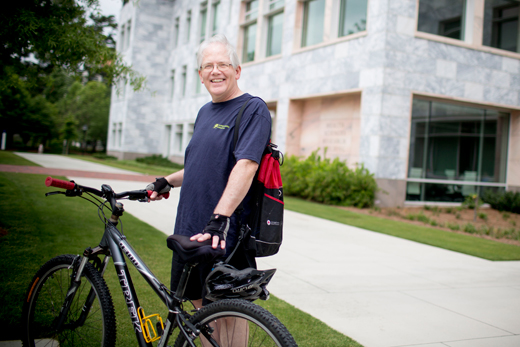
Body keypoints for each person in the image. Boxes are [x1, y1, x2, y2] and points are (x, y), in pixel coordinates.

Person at [147, 33, 271, 312]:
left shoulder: (253, 109)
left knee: (230, 311)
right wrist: (167, 181)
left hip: (223, 231)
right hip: (189, 228)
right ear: (200, 75)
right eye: (208, 66)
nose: (215, 71)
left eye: (223, 64)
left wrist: (219, 219)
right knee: (199, 307)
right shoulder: (205, 112)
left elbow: (247, 165)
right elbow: (202, 166)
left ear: (237, 71)